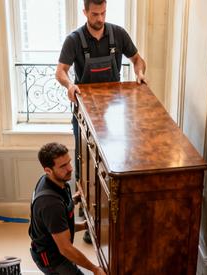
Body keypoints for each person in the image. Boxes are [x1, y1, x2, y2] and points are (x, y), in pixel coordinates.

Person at [55, 0, 147, 246]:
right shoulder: (74, 40)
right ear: (84, 12)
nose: (100, 18)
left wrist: (139, 73)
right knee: (84, 161)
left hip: (114, 110)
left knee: (111, 158)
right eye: (95, 14)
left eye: (103, 12)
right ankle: (88, 212)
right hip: (85, 111)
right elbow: (60, 71)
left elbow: (138, 60)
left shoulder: (118, 34)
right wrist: (70, 85)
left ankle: (108, 212)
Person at [29, 142, 106, 275]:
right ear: (48, 170)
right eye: (63, 166)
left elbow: (58, 224)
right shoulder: (51, 204)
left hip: (54, 249)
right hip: (54, 261)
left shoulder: (53, 181)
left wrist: (83, 223)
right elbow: (65, 249)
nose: (70, 169)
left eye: (69, 162)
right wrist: (95, 269)